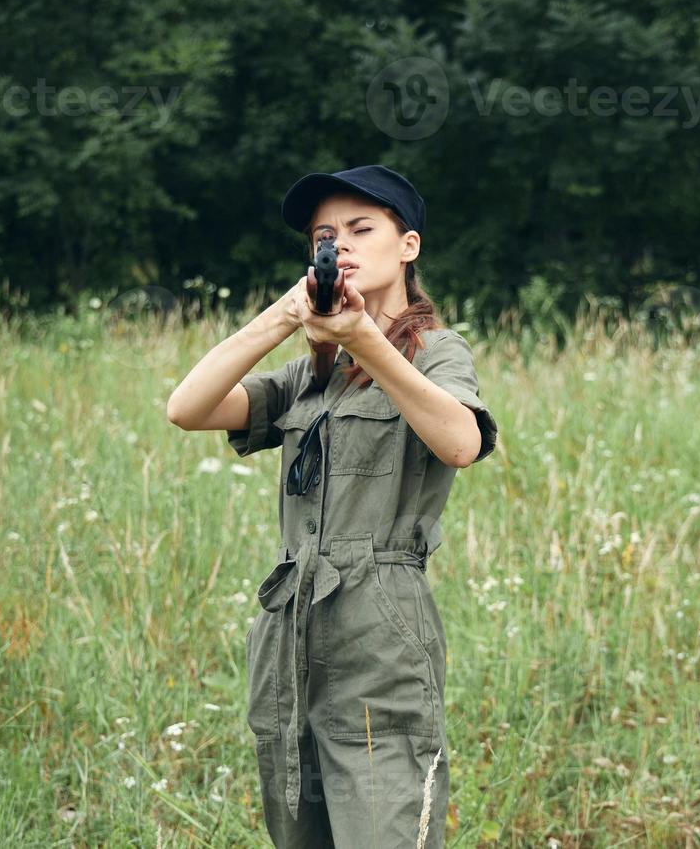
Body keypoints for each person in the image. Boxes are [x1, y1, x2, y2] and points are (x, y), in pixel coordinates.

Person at [166, 164, 499, 848]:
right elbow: (186, 407)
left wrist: (365, 339)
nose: (339, 244)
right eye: (324, 235)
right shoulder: (308, 375)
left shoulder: (436, 352)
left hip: (380, 637)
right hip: (289, 635)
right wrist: (288, 316)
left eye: (360, 228)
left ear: (407, 244)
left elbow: (462, 442)